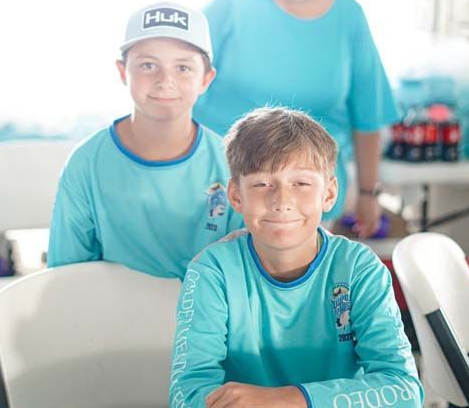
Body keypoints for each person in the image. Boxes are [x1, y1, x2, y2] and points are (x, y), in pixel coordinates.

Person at [169, 107, 422, 407]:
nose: (282, 201)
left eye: (301, 184)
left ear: (329, 194)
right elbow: (186, 394)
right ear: (236, 195)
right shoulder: (212, 272)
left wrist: (287, 399)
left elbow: (404, 390)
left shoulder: (359, 268)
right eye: (262, 184)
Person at [193, 0, 398, 236]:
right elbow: (181, 64)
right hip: (218, 182)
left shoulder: (349, 17)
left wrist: (367, 193)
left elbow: (368, 117)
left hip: (303, 195)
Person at [47, 2, 243, 279]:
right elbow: (67, 275)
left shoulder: (230, 164)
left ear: (206, 79)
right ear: (122, 72)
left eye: (183, 67)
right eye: (148, 65)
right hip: (109, 304)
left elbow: (244, 270)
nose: (165, 80)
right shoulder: (86, 163)